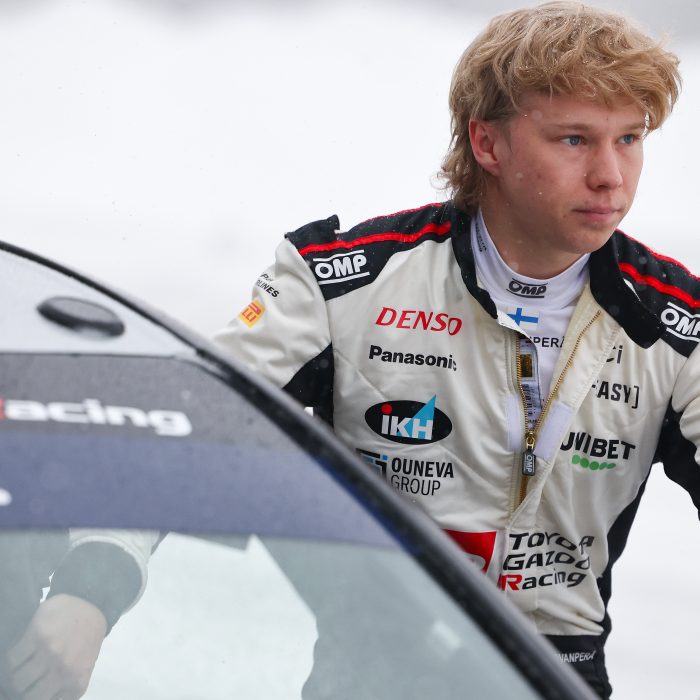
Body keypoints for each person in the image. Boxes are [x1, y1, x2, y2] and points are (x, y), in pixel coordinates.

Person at [214, 3, 690, 697]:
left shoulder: (678, 324)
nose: (610, 176)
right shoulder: (341, 282)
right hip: (374, 669)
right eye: (574, 139)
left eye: (629, 139)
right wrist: (92, 590)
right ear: (487, 144)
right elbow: (185, 427)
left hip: (555, 674)